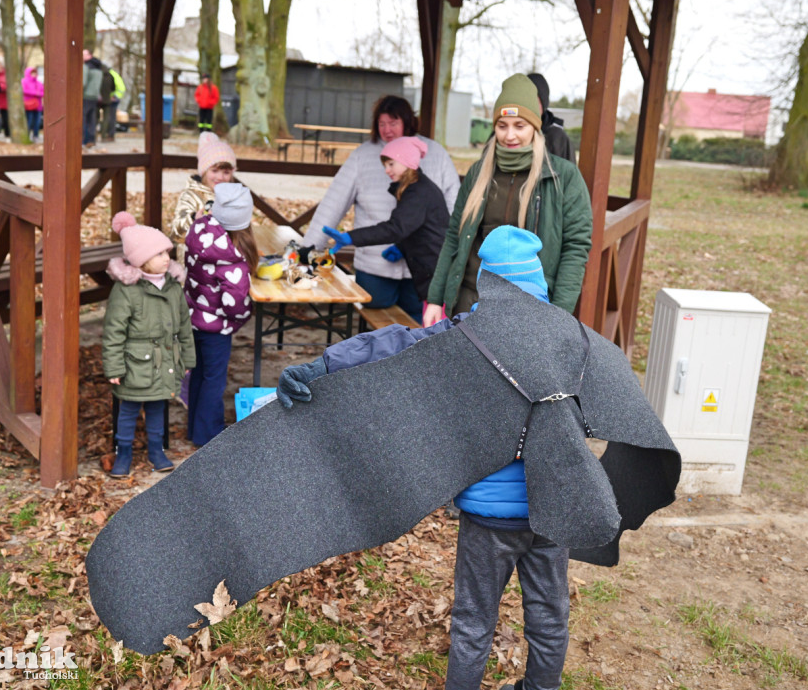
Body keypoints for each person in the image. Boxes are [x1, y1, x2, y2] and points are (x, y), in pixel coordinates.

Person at [277, 226, 573, 690]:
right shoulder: (572, 342)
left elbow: (393, 343)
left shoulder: (463, 338)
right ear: (539, 285)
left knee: (475, 620)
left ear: (488, 282)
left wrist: (320, 367)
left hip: (490, 515)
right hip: (554, 507)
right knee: (549, 616)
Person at [424, 74, 593, 327]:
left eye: (519, 125)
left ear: (535, 127)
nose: (509, 135)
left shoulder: (563, 177)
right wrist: (435, 299)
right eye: (502, 126)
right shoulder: (478, 173)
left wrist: (558, 316)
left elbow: (575, 248)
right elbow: (453, 237)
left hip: (530, 310)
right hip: (470, 303)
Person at [301, 95, 460, 320]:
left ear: (407, 122)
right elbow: (332, 204)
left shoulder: (436, 155)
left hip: (424, 266)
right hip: (375, 263)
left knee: (419, 322)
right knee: (378, 320)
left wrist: (452, 256)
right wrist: (307, 251)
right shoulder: (362, 156)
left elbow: (453, 208)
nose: (387, 130)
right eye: (382, 124)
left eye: (393, 123)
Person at [102, 211, 195, 478]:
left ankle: (156, 451)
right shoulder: (126, 290)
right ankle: (124, 453)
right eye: (159, 254)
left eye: (168, 253)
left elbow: (183, 327)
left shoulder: (173, 287)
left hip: (165, 360)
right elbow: (113, 333)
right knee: (128, 410)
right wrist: (114, 368)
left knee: (158, 407)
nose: (167, 259)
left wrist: (187, 360)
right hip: (135, 363)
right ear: (141, 260)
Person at [320, 136, 449, 323]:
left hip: (436, 273)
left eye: (390, 164)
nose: (386, 170)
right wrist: (402, 247)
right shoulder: (413, 188)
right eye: (385, 165)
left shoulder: (418, 193)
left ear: (406, 161)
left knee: (436, 328)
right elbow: (417, 228)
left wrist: (351, 237)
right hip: (430, 270)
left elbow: (396, 228)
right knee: (429, 325)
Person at [184, 183, 255, 446]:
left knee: (200, 374)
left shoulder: (199, 230)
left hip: (194, 316)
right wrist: (246, 313)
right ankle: (209, 435)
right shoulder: (231, 259)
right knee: (214, 380)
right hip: (216, 329)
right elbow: (234, 303)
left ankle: (194, 428)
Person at [168, 131, 239, 263]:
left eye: (226, 172)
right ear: (204, 171)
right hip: (195, 265)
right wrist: (195, 219)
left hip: (224, 263)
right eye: (214, 171)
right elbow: (176, 232)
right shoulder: (191, 195)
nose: (220, 177)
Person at [527, 72, 574, 163]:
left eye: (534, 102)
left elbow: (570, 174)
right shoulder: (505, 132)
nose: (530, 107)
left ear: (544, 103)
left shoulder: (557, 137)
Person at [82, 49, 102, 147]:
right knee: (92, 120)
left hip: (85, 96)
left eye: (84, 54)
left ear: (90, 55)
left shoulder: (85, 67)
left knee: (83, 119)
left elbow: (83, 83)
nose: (82, 56)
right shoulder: (99, 68)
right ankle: (91, 140)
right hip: (94, 97)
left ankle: (82, 141)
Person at [100, 65, 125, 142]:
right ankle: (109, 135)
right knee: (109, 117)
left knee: (110, 117)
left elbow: (121, 88)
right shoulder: (111, 73)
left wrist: (115, 96)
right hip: (109, 98)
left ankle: (110, 135)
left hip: (113, 99)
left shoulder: (111, 74)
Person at [21, 66, 43, 142]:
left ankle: (35, 136)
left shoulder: (39, 83)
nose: (34, 74)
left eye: (35, 73)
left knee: (37, 122)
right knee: (29, 121)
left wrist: (38, 94)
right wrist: (35, 93)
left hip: (38, 105)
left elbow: (43, 92)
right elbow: (24, 90)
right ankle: (27, 135)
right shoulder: (24, 81)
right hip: (28, 105)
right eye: (32, 73)